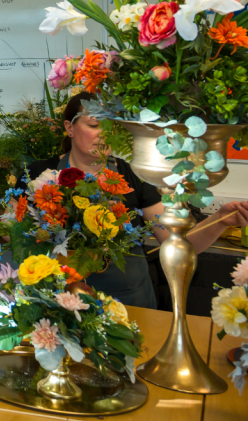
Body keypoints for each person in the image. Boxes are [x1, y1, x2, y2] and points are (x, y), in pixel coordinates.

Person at [26, 92, 248, 309]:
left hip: (129, 304)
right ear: (69, 128)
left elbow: (177, 242)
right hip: (58, 299)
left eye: (110, 126)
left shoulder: (134, 176)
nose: (103, 134)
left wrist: (220, 219)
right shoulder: (39, 175)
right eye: (94, 126)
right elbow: (11, 232)